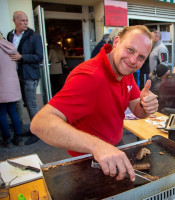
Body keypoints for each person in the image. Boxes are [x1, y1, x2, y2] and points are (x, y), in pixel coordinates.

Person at [30, 25, 158, 182]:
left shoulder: (125, 70)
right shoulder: (88, 76)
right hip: (86, 158)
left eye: (141, 57)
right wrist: (97, 146)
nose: (133, 61)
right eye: (130, 50)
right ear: (117, 42)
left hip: (115, 144)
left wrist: (145, 105)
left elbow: (137, 110)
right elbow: (39, 123)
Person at [7, 11, 43, 145]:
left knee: (32, 104)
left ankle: (37, 132)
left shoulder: (34, 36)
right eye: (22, 20)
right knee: (22, 103)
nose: (25, 23)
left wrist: (22, 57)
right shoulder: (10, 35)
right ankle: (30, 129)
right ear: (15, 20)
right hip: (16, 74)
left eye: (26, 20)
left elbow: (39, 57)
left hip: (30, 75)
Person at [0, 32, 23, 148]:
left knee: (2, 113)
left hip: (1, 85)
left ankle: (7, 140)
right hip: (13, 84)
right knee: (13, 112)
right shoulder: (11, 46)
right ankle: (18, 138)